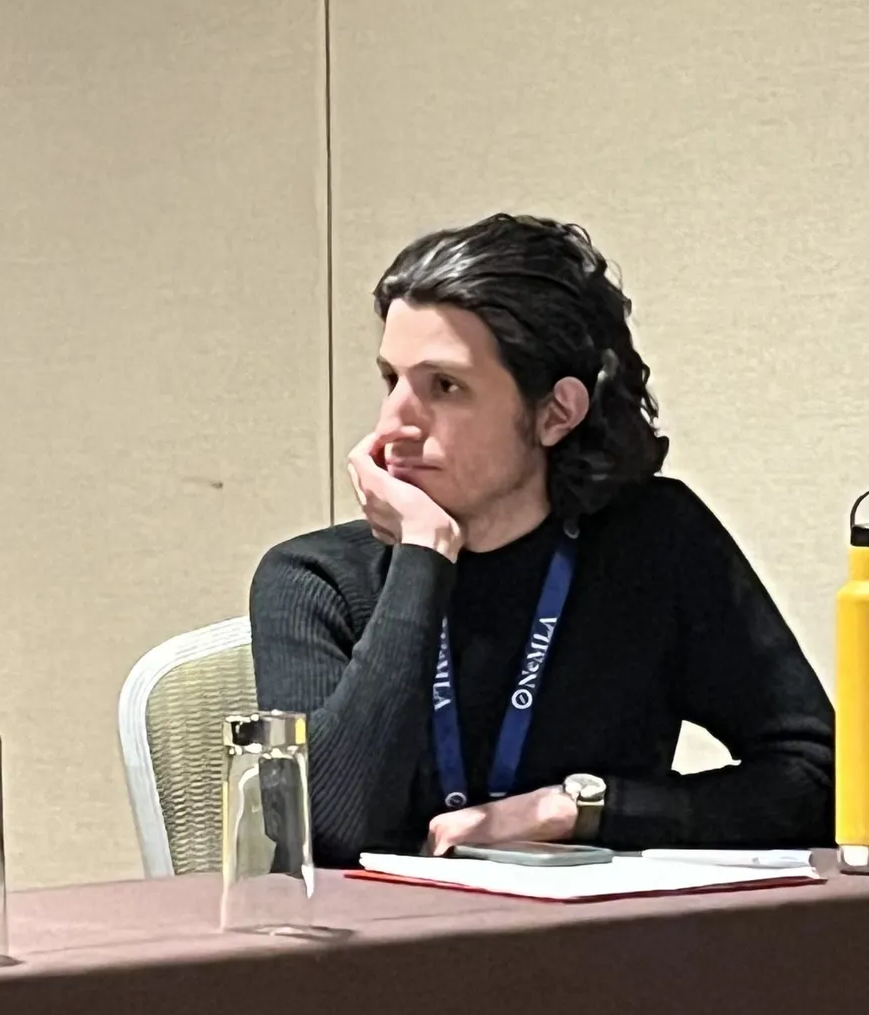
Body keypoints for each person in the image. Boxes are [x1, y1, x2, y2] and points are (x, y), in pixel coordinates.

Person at [250, 214, 834, 867]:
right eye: (392, 381)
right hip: (379, 959)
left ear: (556, 413)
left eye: (444, 387)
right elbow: (329, 830)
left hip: (584, 954)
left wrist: (577, 810)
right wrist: (423, 552)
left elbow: (820, 782)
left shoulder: (654, 545)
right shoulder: (313, 578)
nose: (392, 427)